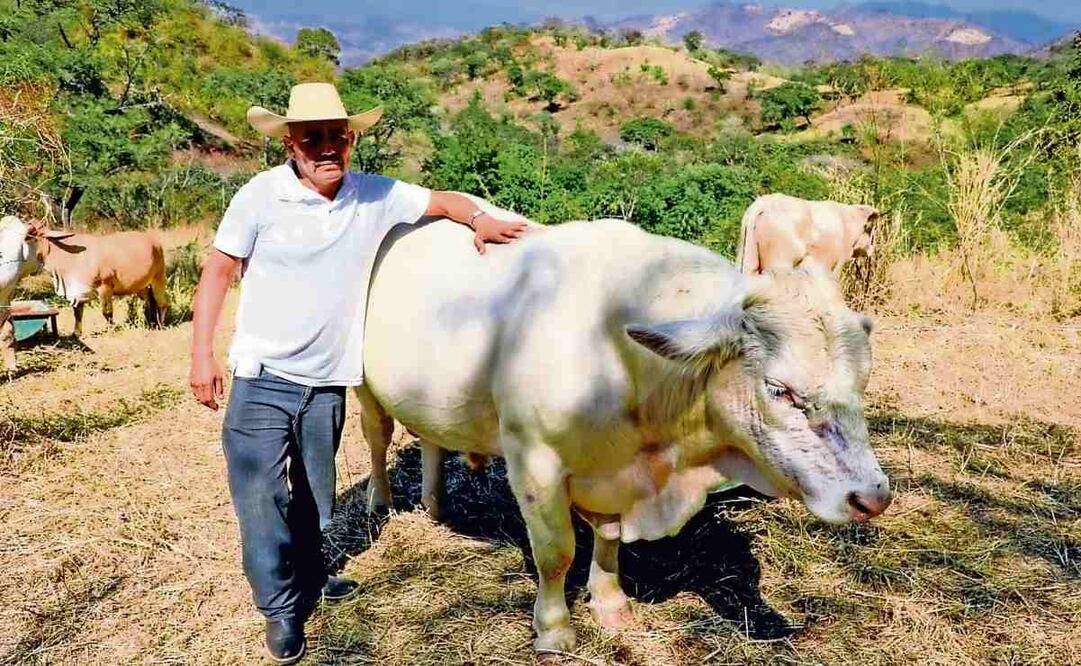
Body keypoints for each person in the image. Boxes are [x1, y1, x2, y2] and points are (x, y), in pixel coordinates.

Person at [188, 82, 526, 664]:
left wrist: (479, 220)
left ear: (350, 141)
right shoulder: (259, 197)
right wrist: (201, 354)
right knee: (261, 498)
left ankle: (316, 580)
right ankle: (279, 608)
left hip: (326, 383)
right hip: (264, 376)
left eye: (335, 137)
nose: (325, 148)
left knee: (314, 497)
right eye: (311, 137)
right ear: (289, 143)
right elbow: (218, 272)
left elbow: (441, 200)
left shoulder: (374, 195)